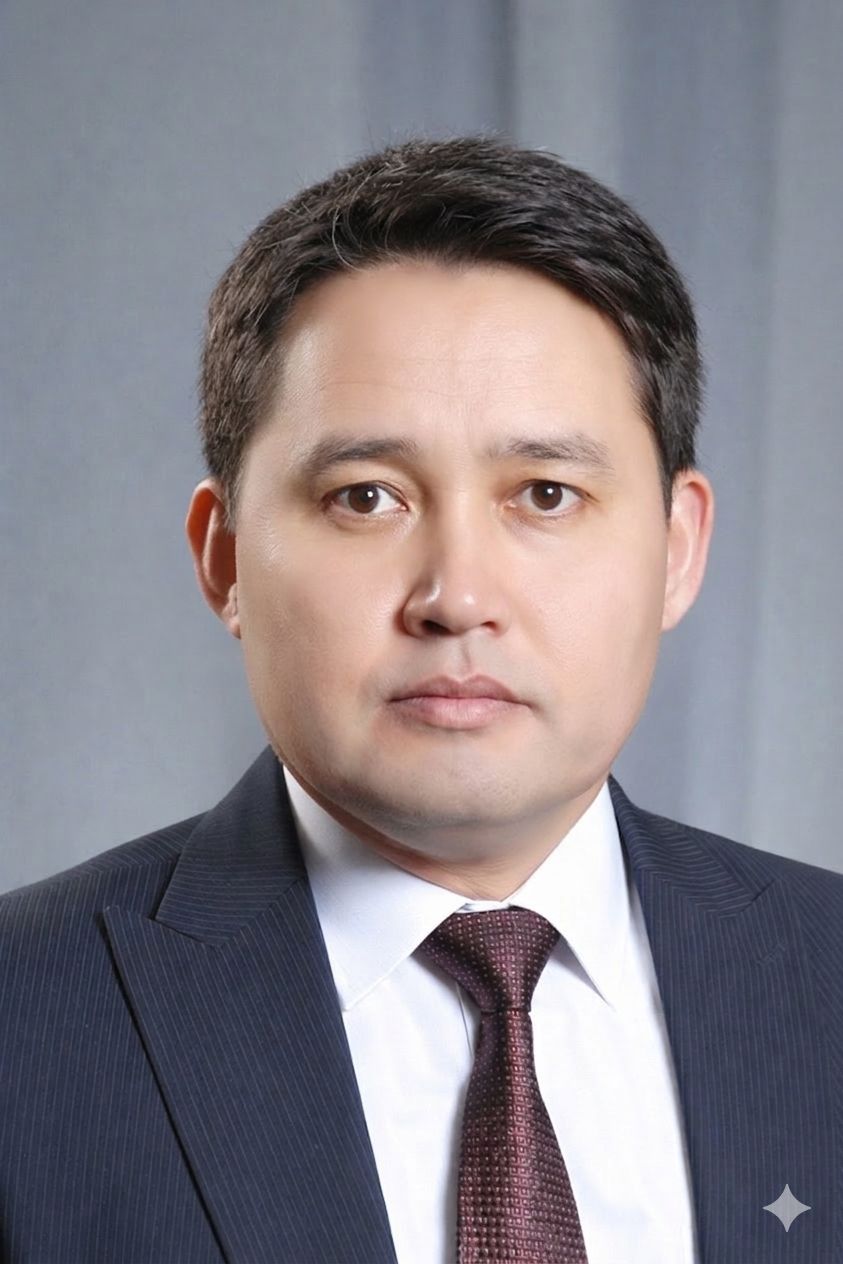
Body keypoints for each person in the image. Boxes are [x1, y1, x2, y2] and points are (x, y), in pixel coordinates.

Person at [1, 135, 840, 1264]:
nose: (457, 598)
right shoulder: (24, 1021)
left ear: (677, 548)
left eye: (546, 494)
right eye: (366, 497)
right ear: (225, 557)